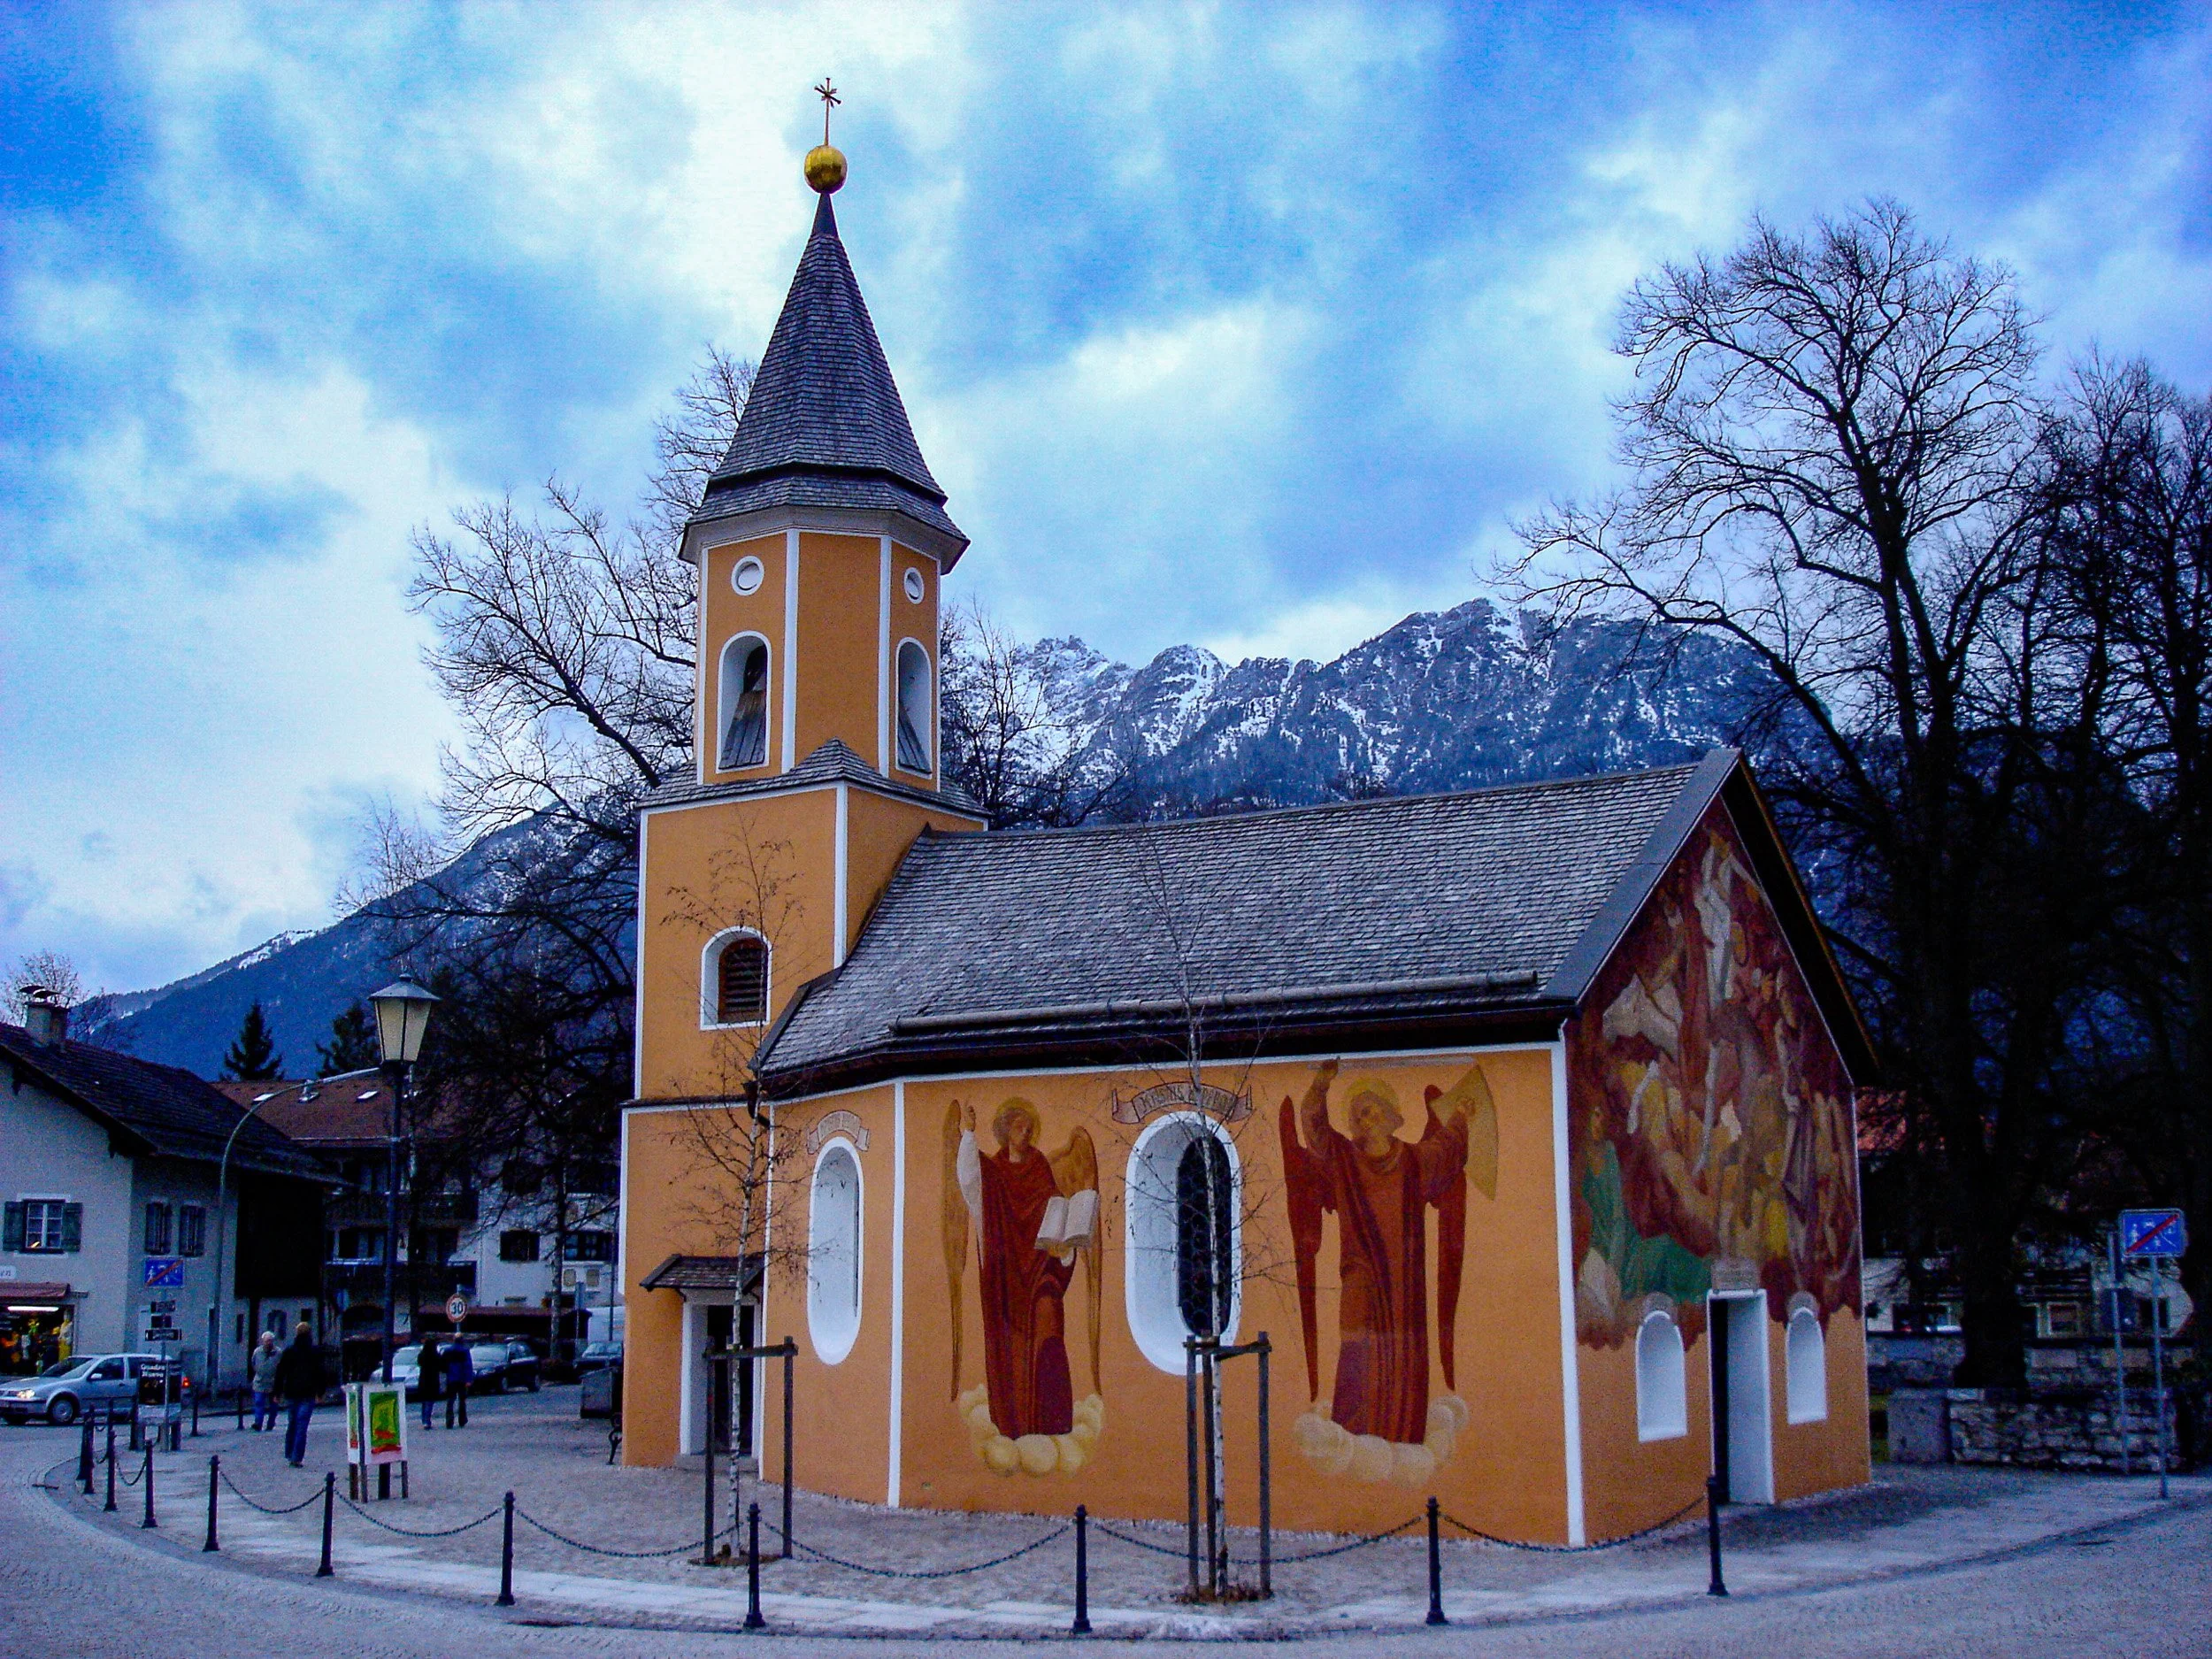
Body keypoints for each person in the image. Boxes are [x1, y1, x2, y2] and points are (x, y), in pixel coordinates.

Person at [273, 1321, 324, 1468]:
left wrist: (277, 1392)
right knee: (302, 1426)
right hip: (308, 1393)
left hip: (292, 1392)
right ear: (310, 1334)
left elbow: (280, 1372)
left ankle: (289, 1453)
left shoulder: (289, 1351)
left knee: (292, 1423)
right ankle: (296, 1457)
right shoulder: (314, 1351)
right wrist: (320, 1393)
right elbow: (321, 1373)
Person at [248, 1332, 280, 1431]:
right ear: (263, 1341)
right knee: (258, 1402)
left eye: (270, 1341)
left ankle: (271, 1423)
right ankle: (258, 1423)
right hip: (260, 1382)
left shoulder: (278, 1352)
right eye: (266, 1341)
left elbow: (282, 1366)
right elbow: (253, 1363)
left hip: (273, 1383)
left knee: (273, 1405)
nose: (268, 1343)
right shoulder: (257, 1352)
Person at [443, 1338, 472, 1427]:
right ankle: (462, 1420)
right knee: (462, 1400)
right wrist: (468, 1380)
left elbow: (443, 1364)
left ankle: (449, 1421)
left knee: (450, 1400)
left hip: (451, 1378)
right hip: (462, 1379)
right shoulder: (465, 1351)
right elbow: (468, 1365)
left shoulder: (447, 1351)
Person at [416, 1333, 442, 1430]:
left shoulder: (422, 1355)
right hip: (433, 1380)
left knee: (424, 1402)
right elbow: (441, 1366)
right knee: (430, 1402)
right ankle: (427, 1421)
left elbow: (419, 1363)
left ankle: (424, 1420)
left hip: (423, 1379)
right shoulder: (436, 1356)